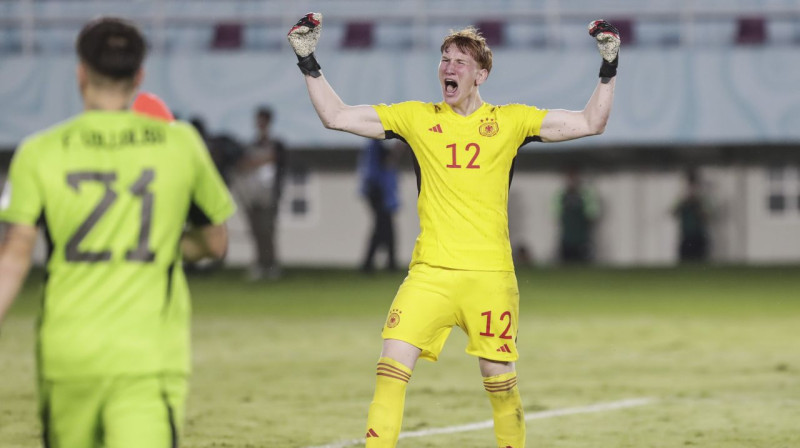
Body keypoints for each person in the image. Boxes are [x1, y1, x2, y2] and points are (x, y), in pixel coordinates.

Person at [287, 13, 620, 447]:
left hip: (490, 277)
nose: (449, 66)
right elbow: (336, 115)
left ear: (481, 74)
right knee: (390, 367)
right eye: (445, 58)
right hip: (431, 274)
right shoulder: (416, 119)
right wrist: (307, 59)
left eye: (461, 61)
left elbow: (591, 122)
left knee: (500, 384)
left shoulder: (511, 121)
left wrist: (609, 66)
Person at [0, 17, 235, 447]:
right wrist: (163, 243)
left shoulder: (38, 152)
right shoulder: (180, 144)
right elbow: (215, 243)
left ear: (81, 73)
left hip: (66, 353)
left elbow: (13, 257)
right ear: (139, 76)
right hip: (147, 356)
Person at [232, 106, 286, 281]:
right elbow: (243, 165)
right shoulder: (252, 144)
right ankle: (260, 263)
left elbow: (275, 160)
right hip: (253, 193)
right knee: (256, 231)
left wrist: (254, 162)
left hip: (269, 195)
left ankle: (271, 265)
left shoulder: (276, 143)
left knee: (267, 230)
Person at [359, 139, 400, 273]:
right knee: (383, 228)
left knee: (383, 228)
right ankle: (378, 264)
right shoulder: (376, 146)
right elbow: (385, 164)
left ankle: (378, 263)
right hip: (378, 191)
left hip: (378, 191)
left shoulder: (374, 145)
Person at [553, 168, 601, 263]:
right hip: (566, 238)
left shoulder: (586, 195)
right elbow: (557, 213)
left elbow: (592, 214)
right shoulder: (561, 195)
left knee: (583, 264)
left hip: (582, 238)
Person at [672, 169, 710, 262]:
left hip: (699, 236)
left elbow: (706, 217)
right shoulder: (682, 198)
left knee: (700, 263)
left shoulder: (702, 199)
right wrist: (685, 203)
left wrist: (696, 206)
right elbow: (674, 213)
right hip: (686, 235)